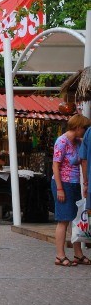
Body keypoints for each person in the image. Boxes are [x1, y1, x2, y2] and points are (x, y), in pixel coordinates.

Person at [52, 114, 90, 266]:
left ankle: (78, 253)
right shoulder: (62, 141)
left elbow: (83, 162)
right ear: (78, 127)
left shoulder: (79, 142)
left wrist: (85, 183)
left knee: (76, 218)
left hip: (74, 183)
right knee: (63, 219)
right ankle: (60, 255)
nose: (86, 130)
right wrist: (60, 188)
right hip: (63, 183)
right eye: (85, 128)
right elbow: (55, 165)